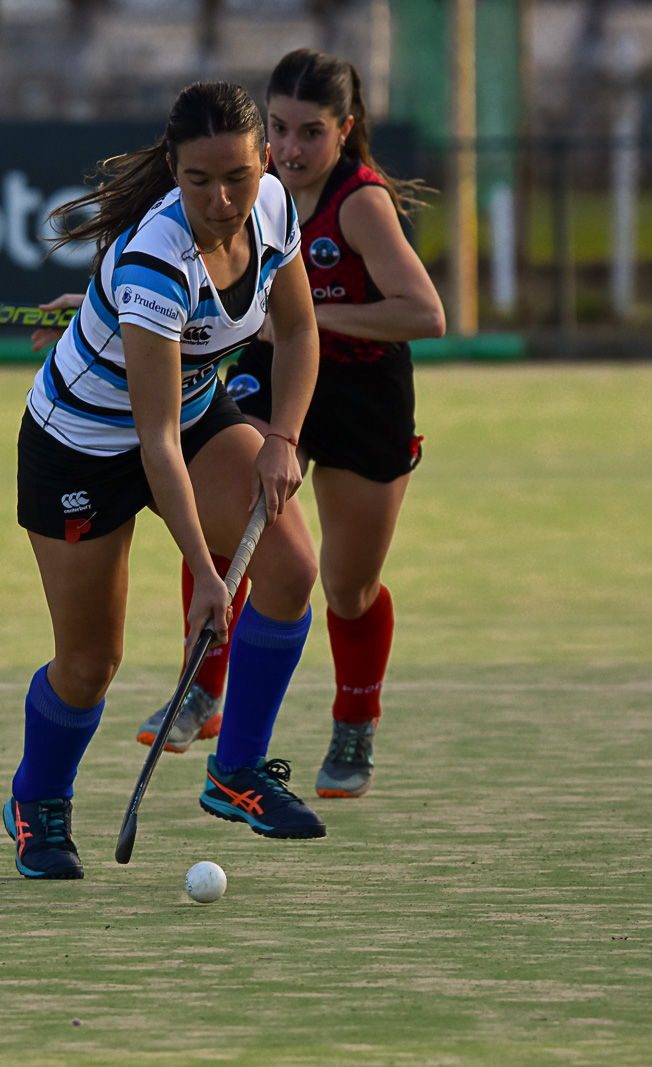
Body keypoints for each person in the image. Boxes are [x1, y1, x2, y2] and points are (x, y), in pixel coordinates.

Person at [5, 80, 326, 880]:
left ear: (263, 166)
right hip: (83, 444)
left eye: (238, 177)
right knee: (89, 663)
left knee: (291, 568)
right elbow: (152, 445)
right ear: (173, 173)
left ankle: (236, 772)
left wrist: (282, 436)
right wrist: (209, 578)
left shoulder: (276, 209)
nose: (222, 200)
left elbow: (297, 329)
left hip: (193, 411)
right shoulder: (155, 262)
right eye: (198, 181)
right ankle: (37, 800)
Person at [134, 48, 446, 799]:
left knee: (347, 587)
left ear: (345, 129)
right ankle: (204, 691)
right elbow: (166, 279)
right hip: (275, 386)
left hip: (364, 400)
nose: (292, 149)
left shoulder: (359, 205)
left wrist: (303, 316)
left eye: (312, 131)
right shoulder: (245, 190)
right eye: (278, 128)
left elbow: (424, 313)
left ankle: (354, 719)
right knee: (232, 521)